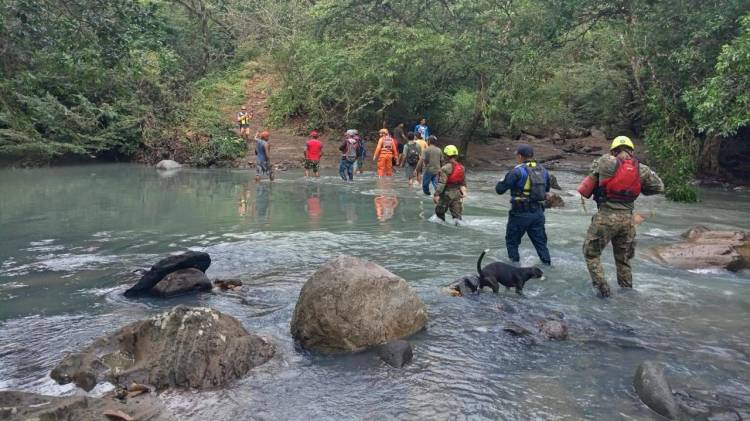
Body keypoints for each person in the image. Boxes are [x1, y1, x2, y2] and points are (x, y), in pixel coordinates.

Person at [578, 136, 664, 297]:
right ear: (631, 151)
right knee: (623, 259)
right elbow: (659, 187)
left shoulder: (603, 162)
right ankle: (627, 292)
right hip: (628, 221)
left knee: (591, 253)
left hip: (606, 217)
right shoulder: (642, 169)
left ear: (613, 150)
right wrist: (641, 188)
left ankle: (603, 290)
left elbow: (590, 182)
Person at [495, 144, 551, 265]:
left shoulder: (517, 171)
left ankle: (514, 269)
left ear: (520, 156)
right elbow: (546, 191)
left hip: (519, 213)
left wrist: (503, 179)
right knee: (541, 244)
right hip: (538, 213)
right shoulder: (544, 171)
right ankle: (547, 265)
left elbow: (499, 190)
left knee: (512, 242)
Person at [433, 145, 466, 224]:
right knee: (457, 217)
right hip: (457, 194)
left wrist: (436, 195)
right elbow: (463, 183)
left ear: (446, 155)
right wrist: (464, 193)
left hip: (446, 194)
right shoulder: (461, 167)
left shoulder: (445, 168)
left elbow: (442, 183)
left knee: (439, 213)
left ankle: (440, 232)